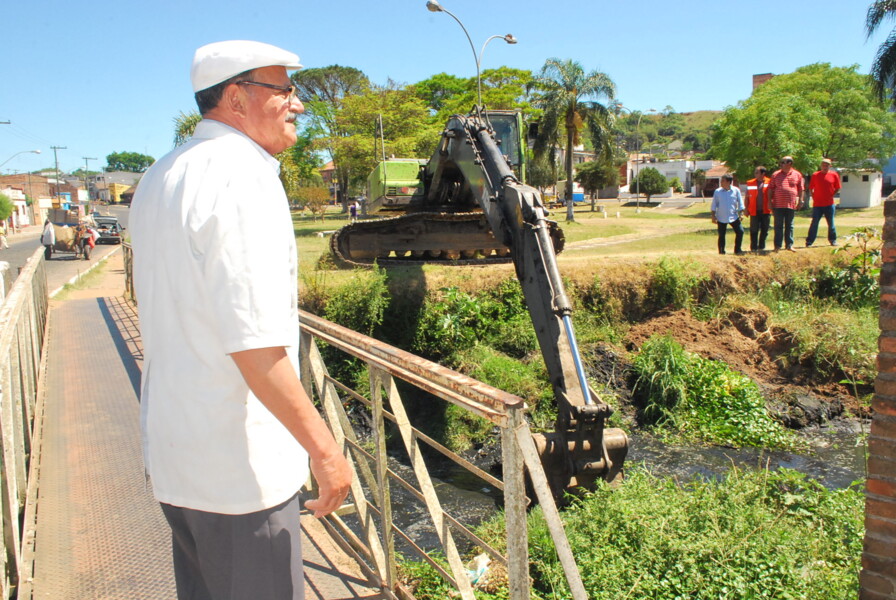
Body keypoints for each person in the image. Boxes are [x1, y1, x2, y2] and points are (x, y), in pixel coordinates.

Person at [130, 40, 352, 600]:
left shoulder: (161, 174)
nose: (298, 103)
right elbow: (255, 346)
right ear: (236, 97)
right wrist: (326, 452)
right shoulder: (243, 178)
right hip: (239, 475)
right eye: (284, 90)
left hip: (179, 458)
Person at [766, 155, 804, 252]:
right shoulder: (776, 174)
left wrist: (801, 200)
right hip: (778, 204)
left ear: (790, 163)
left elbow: (800, 189)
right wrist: (769, 201)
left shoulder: (797, 174)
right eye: (781, 162)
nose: (781, 164)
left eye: (783, 162)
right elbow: (770, 188)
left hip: (791, 204)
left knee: (789, 225)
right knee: (778, 225)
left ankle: (789, 245)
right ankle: (777, 246)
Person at [806, 158, 841, 247]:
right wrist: (814, 197)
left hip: (829, 204)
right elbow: (811, 188)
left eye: (827, 165)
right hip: (818, 205)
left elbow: (837, 187)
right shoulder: (815, 175)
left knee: (831, 223)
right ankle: (809, 241)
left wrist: (831, 195)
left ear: (830, 166)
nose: (825, 167)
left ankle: (833, 240)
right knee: (814, 223)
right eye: (823, 165)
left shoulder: (834, 175)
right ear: (821, 166)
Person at [710, 173, 745, 255]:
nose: (721, 182)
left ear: (729, 182)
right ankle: (721, 251)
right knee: (721, 235)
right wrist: (713, 216)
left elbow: (740, 202)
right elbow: (714, 204)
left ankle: (737, 250)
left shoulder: (736, 190)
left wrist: (741, 213)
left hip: (733, 216)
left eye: (723, 181)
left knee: (740, 231)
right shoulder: (718, 192)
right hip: (721, 217)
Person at [745, 166, 772, 252]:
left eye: (757, 172)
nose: (755, 174)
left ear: (763, 173)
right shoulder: (750, 183)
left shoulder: (770, 182)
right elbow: (747, 197)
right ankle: (753, 247)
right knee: (754, 229)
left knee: (765, 229)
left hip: (766, 210)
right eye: (755, 172)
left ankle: (761, 246)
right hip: (754, 210)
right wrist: (746, 209)